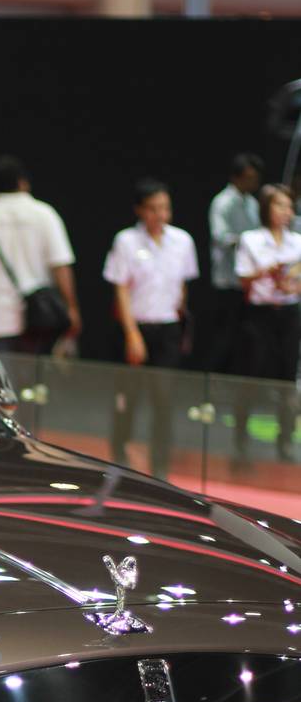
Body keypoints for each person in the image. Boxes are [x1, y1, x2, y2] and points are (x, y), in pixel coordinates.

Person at [102, 178, 200, 480]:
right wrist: (132, 333)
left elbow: (183, 283)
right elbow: (120, 289)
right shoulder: (126, 241)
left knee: (164, 398)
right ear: (140, 210)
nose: (161, 215)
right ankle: (119, 453)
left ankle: (160, 464)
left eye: (165, 208)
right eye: (153, 209)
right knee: (128, 396)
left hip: (168, 329)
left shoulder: (182, 240)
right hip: (136, 327)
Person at [0, 154, 80, 357]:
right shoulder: (44, 214)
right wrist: (71, 308)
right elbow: (61, 265)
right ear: (22, 182)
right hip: (39, 317)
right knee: (34, 383)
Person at [234, 182, 301, 461]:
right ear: (266, 208)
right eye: (280, 205)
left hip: (288, 314)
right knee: (252, 374)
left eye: (289, 206)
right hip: (258, 314)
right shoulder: (250, 239)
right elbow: (243, 279)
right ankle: (241, 439)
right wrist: (264, 271)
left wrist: (293, 285)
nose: (286, 211)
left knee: (287, 376)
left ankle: (284, 440)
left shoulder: (297, 241)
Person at [208, 152, 263, 375]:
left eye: (256, 177)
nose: (253, 182)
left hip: (249, 283)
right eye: (249, 177)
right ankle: (209, 390)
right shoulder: (223, 202)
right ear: (236, 177)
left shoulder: (253, 203)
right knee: (224, 339)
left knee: (247, 341)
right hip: (227, 281)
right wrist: (249, 242)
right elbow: (220, 237)